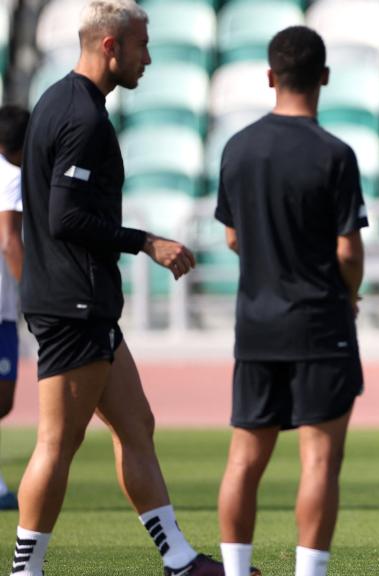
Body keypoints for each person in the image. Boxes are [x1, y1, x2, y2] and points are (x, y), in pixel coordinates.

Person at [12, 1, 228, 574]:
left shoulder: (62, 100)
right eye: (142, 45)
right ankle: (25, 569)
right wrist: (146, 242)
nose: (149, 58)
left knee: (136, 425)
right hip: (72, 303)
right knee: (57, 443)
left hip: (83, 301)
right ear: (111, 45)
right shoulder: (80, 117)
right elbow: (65, 217)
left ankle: (179, 558)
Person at [215, 26, 365, 576]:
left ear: (270, 76)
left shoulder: (238, 147)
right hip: (320, 322)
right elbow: (349, 250)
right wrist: (349, 296)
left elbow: (232, 237)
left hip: (255, 323)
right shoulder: (335, 154)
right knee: (320, 460)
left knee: (244, 459)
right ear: (323, 77)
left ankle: (235, 570)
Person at [0, 105, 28, 513]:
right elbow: (9, 239)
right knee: (2, 399)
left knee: (3, 403)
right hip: (2, 305)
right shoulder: (11, 177)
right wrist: (35, 294)